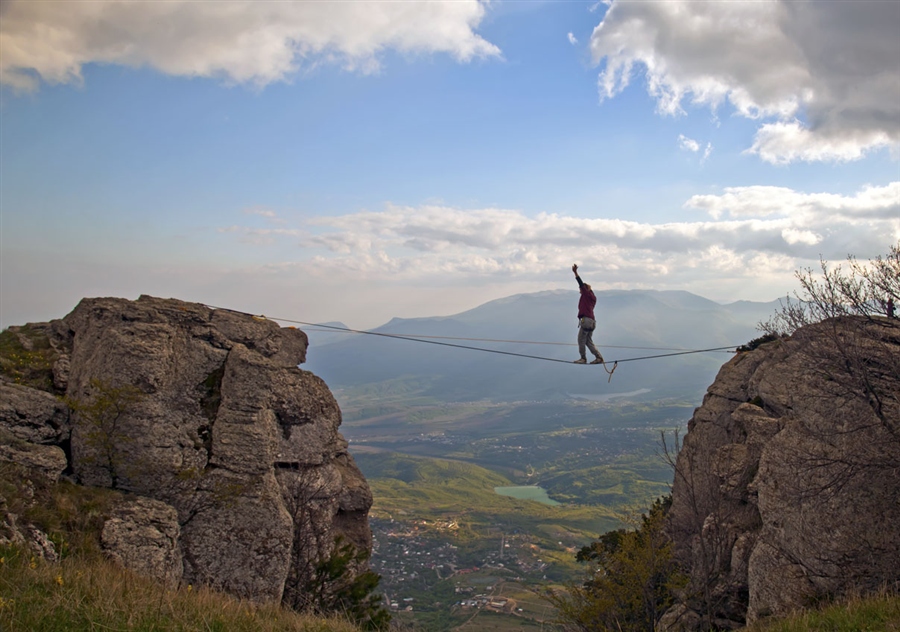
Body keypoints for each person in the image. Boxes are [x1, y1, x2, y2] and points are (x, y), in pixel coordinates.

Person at [572, 264, 604, 364]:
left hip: (586, 321)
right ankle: (598, 357)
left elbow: (581, 284)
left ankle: (583, 358)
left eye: (580, 290)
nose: (580, 291)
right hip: (592, 322)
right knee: (588, 341)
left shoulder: (586, 294)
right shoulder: (592, 297)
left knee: (580, 339)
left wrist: (575, 273)